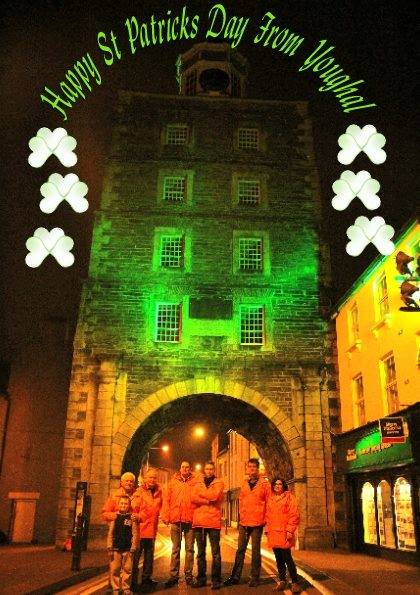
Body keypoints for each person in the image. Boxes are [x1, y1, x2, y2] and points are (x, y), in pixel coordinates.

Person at [224, 458, 270, 588]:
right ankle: (235, 577)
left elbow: (269, 504)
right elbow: (241, 502)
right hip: (244, 523)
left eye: (254, 467)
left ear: (257, 468)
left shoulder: (265, 485)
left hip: (257, 522)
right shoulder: (244, 484)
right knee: (240, 550)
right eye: (249, 467)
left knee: (255, 550)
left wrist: (266, 521)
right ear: (247, 468)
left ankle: (255, 577)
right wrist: (240, 518)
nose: (251, 469)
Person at [162, 461, 200, 588]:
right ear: (180, 468)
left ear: (190, 469)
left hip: (190, 520)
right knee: (175, 549)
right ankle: (173, 576)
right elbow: (166, 500)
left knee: (190, 549)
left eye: (187, 467)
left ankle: (188, 575)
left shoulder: (195, 482)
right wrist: (165, 516)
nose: (185, 469)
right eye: (183, 467)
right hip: (175, 519)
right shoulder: (173, 482)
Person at [191, 461, 224, 590]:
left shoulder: (219, 482)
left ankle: (216, 580)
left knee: (215, 553)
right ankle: (201, 578)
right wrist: (208, 500)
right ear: (204, 470)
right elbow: (193, 498)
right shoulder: (198, 483)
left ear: (214, 470)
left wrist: (202, 495)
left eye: (211, 469)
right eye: (207, 469)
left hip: (213, 521)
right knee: (200, 552)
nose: (209, 471)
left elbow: (215, 496)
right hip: (199, 521)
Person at [265, 477, 301, 593]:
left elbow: (294, 515)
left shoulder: (289, 497)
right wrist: (267, 530)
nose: (277, 486)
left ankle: (295, 582)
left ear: (283, 485)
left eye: (280, 484)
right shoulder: (270, 498)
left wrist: (290, 530)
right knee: (278, 559)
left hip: (285, 532)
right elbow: (267, 515)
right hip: (274, 532)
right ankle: (282, 581)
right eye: (275, 484)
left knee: (287, 558)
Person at [131, 468, 163, 591]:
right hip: (140, 530)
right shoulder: (139, 492)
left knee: (149, 558)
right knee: (135, 558)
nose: (152, 480)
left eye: (154, 477)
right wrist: (140, 516)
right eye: (150, 477)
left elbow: (162, 507)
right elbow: (134, 509)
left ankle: (146, 579)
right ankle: (133, 582)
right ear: (145, 478)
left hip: (152, 529)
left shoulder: (159, 492)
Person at [107, 495, 138, 595]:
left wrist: (134, 546)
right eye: (121, 503)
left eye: (126, 504)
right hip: (115, 548)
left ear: (129, 505)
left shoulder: (132, 518)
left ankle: (126, 588)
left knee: (127, 569)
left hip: (128, 548)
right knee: (115, 569)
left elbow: (135, 533)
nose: (123, 505)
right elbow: (110, 533)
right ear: (118, 504)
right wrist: (109, 546)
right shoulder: (114, 517)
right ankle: (116, 589)